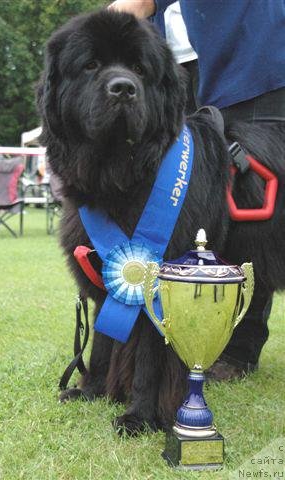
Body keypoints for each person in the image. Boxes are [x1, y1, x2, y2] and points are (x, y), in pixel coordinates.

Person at [108, 0, 285, 380]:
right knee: (181, 202)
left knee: (249, 205)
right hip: (170, 61)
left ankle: (238, 348)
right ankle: (179, 332)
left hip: (250, 51)